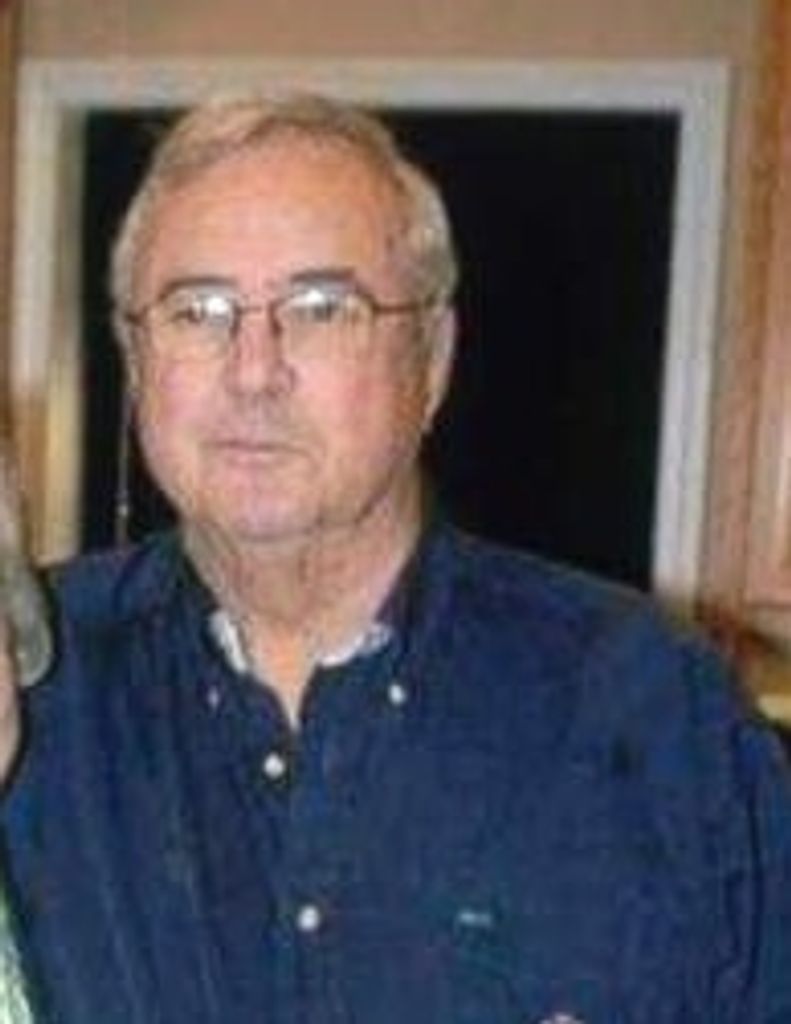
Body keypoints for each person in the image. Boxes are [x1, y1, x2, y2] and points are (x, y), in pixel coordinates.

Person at [0, 93, 789, 1024]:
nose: (253, 370)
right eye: (197, 310)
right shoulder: (31, 686)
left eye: (322, 307)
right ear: (137, 361)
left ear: (432, 357)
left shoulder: (653, 710)